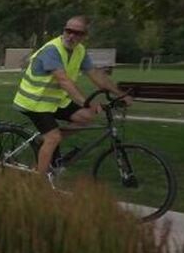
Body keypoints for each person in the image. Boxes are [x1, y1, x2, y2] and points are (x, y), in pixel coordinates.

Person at [13, 15, 129, 178]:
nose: (71, 35)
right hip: (34, 101)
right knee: (53, 137)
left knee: (85, 118)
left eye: (77, 33)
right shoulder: (52, 50)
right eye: (68, 31)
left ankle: (44, 142)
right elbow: (64, 81)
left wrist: (120, 94)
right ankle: (38, 182)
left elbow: (95, 74)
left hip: (55, 101)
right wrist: (86, 102)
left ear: (84, 36)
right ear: (64, 30)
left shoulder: (80, 51)